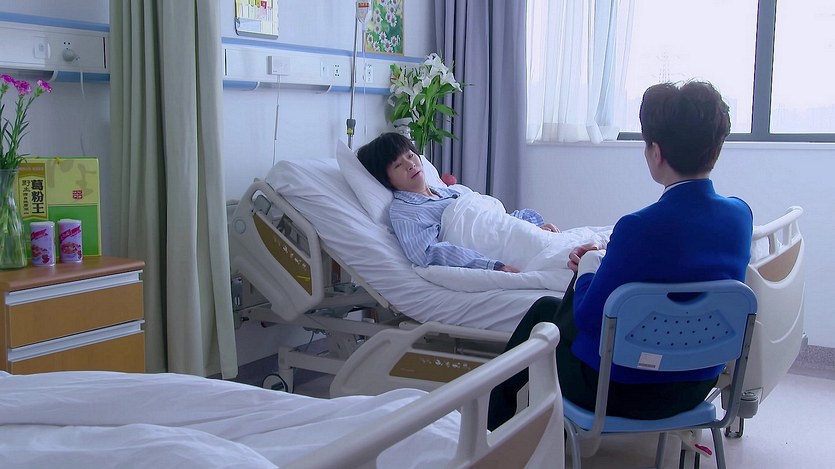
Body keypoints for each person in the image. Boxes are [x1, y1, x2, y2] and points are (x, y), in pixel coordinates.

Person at [487, 80, 753, 430]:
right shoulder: (740, 217)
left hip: (615, 391)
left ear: (656, 153)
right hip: (695, 386)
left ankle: (489, 428)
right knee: (544, 309)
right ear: (715, 148)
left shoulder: (637, 227)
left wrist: (587, 268)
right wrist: (610, 259)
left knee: (544, 324)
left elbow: (587, 319)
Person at [357, 132, 559, 273]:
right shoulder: (405, 211)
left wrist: (531, 225)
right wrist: (491, 265)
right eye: (398, 165)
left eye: (410, 156)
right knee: (563, 264)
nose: (410, 165)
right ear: (387, 180)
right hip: (495, 252)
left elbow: (494, 220)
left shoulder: (451, 192)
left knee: (565, 253)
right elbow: (428, 252)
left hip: (514, 235)